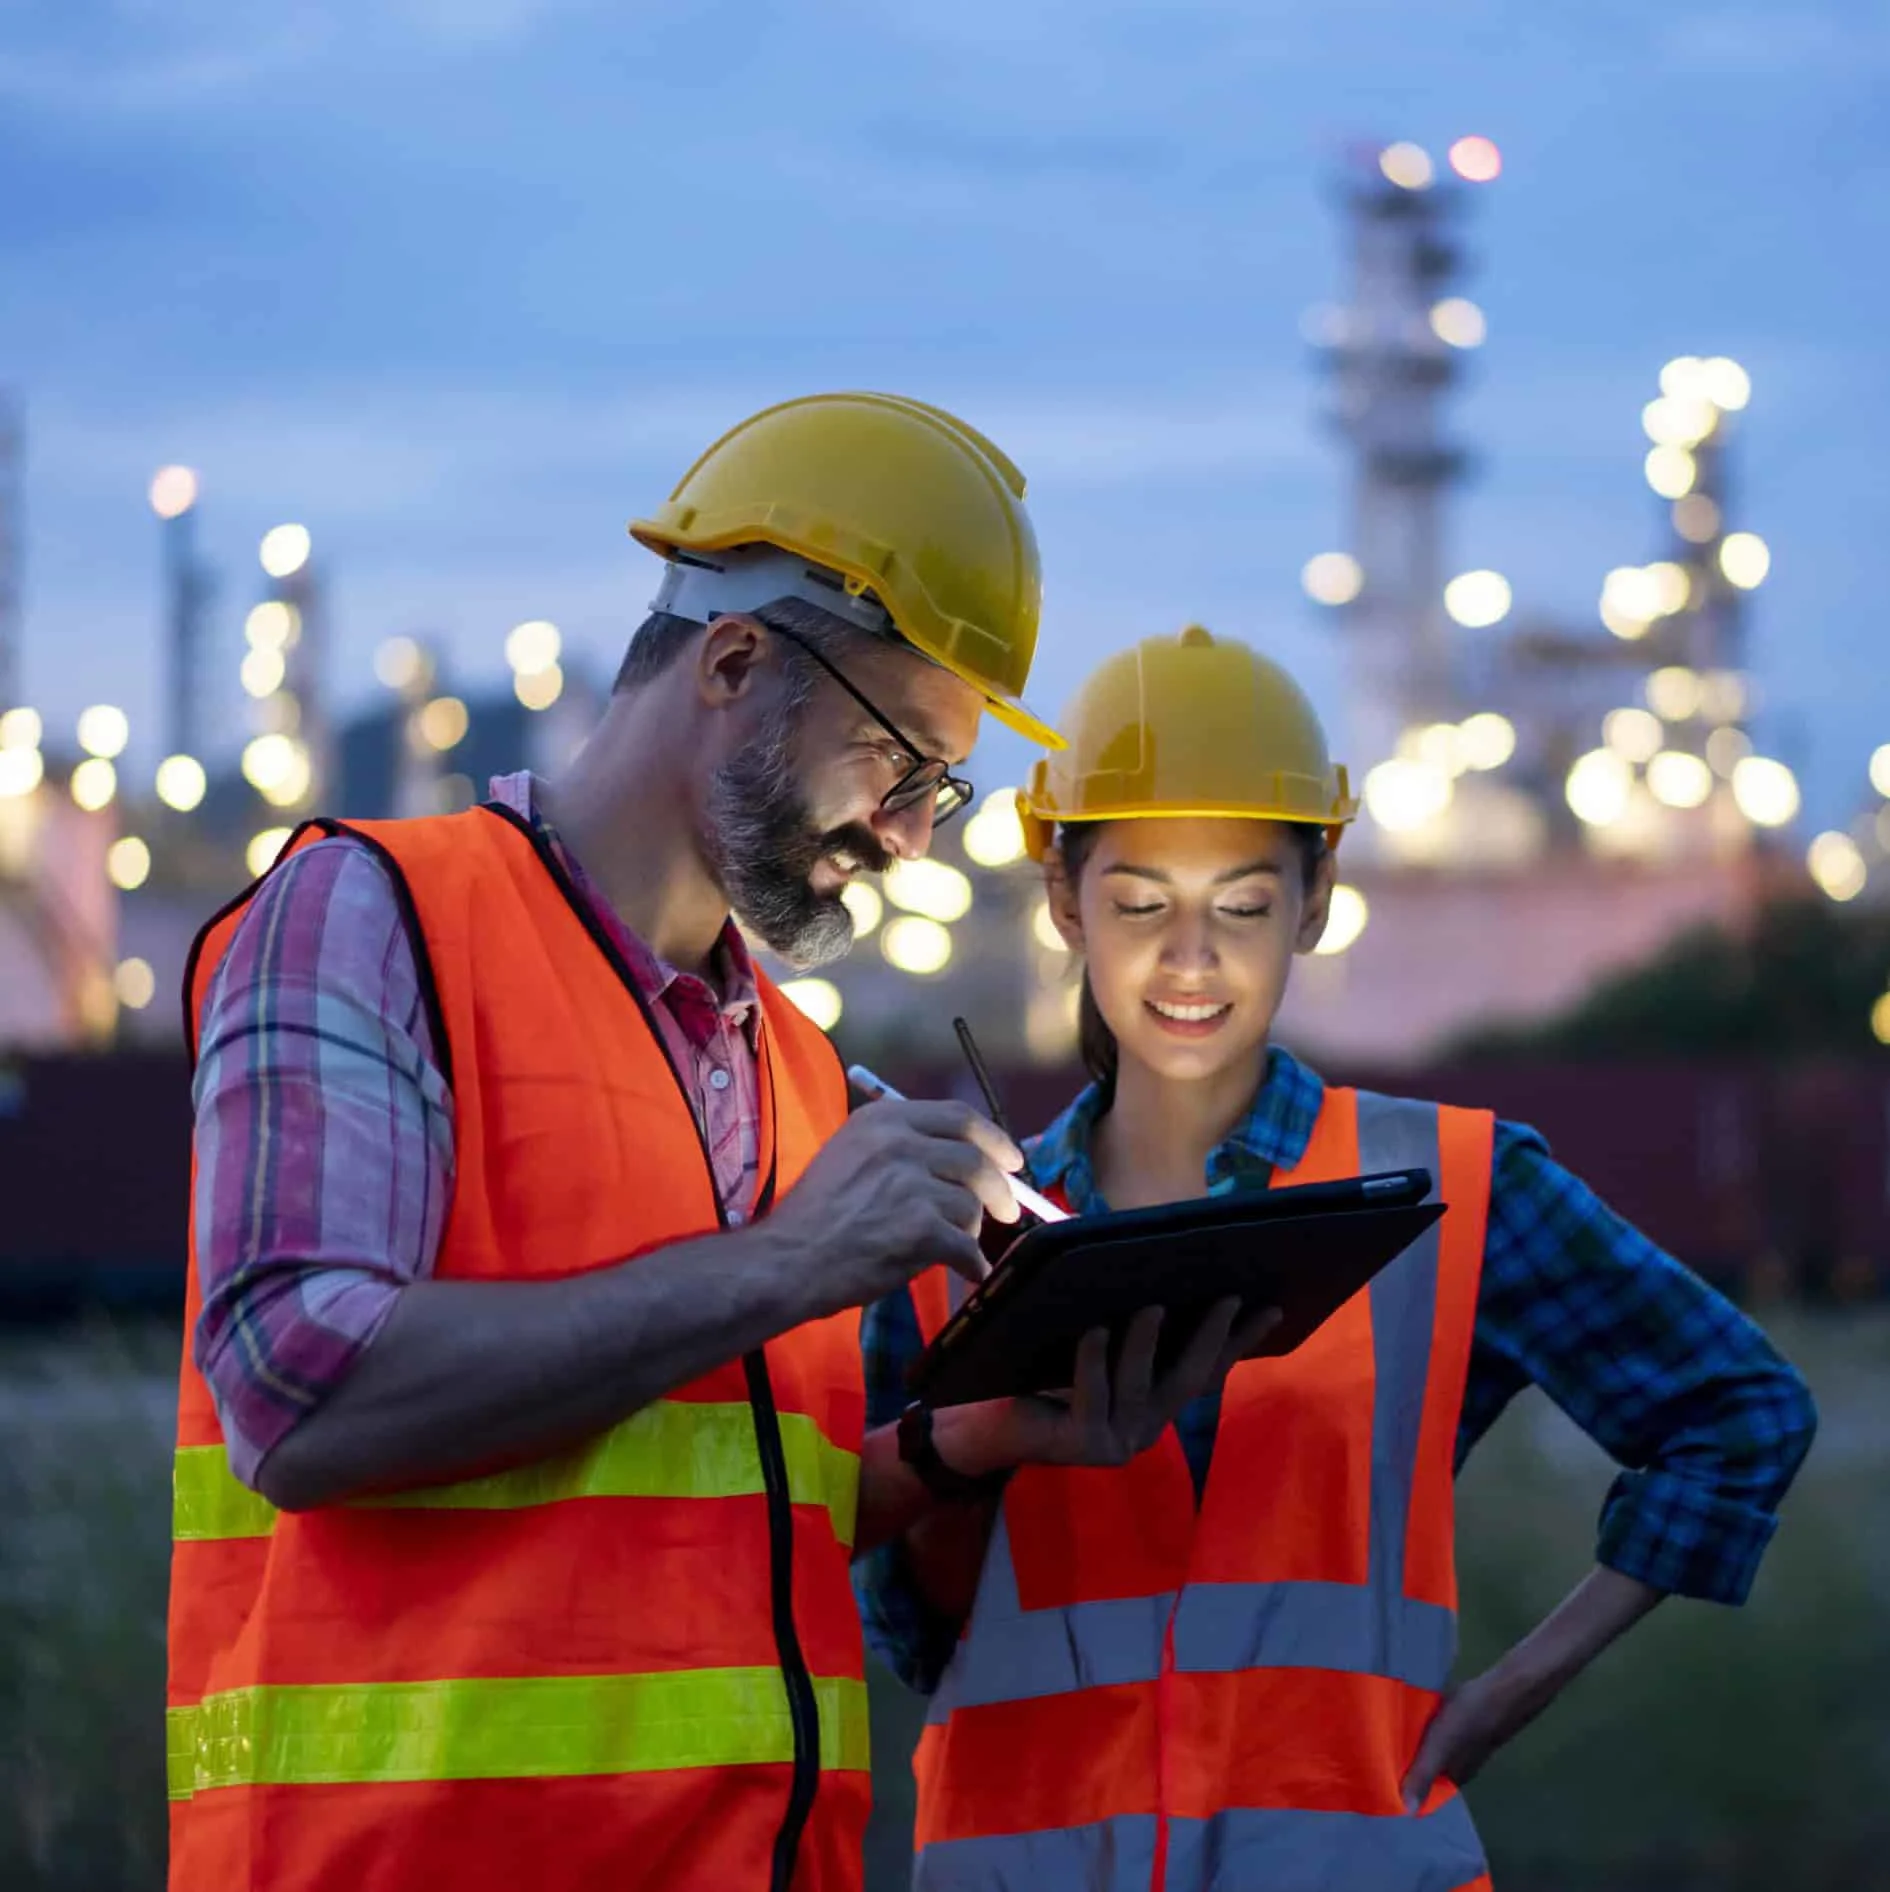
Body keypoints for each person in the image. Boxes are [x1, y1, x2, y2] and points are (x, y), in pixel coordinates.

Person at [166, 402, 1265, 1892]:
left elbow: (709, 1498)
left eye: (938, 792)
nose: (908, 839)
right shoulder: (368, 918)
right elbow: (299, 1399)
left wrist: (963, 1444)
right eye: (896, 763)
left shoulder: (796, 1076)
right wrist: (788, 1261)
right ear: (735, 665)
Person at [858, 625, 1819, 1892]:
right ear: (1062, 897)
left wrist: (1504, 1695)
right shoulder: (945, 1229)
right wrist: (977, 1449)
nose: (1190, 957)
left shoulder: (1455, 1189)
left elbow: (1737, 1412)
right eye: (1140, 901)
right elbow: (915, 1627)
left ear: (1314, 898)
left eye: (1245, 906)